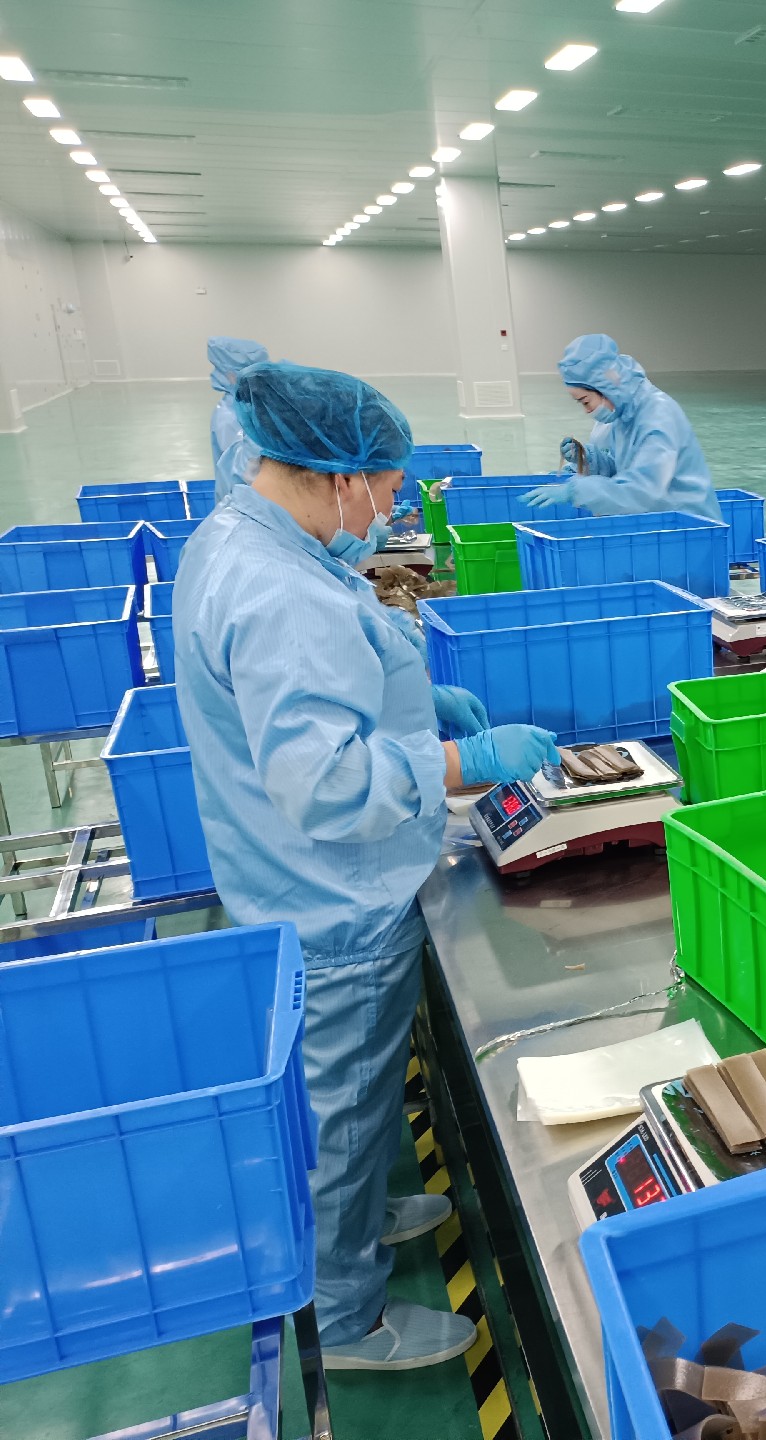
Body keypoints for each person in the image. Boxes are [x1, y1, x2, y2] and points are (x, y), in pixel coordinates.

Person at [173, 361, 561, 1371]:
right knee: (342, 1107)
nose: (393, 509)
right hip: (331, 895)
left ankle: (356, 1216)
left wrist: (410, 698)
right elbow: (327, 781)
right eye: (387, 487)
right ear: (338, 474)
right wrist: (460, 762)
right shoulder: (275, 588)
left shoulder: (245, 538)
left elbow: (320, 679)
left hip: (284, 876)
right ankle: (344, 1316)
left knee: (342, 1099)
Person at [521, 333, 720, 521]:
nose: (587, 410)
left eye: (585, 401)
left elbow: (643, 489)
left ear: (606, 388)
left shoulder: (658, 416)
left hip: (690, 527)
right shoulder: (625, 416)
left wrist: (577, 490)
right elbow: (623, 468)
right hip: (661, 523)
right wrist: (588, 458)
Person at [209, 336, 269, 501]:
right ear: (231, 375)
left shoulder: (245, 407)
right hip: (242, 503)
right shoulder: (229, 418)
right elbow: (242, 473)